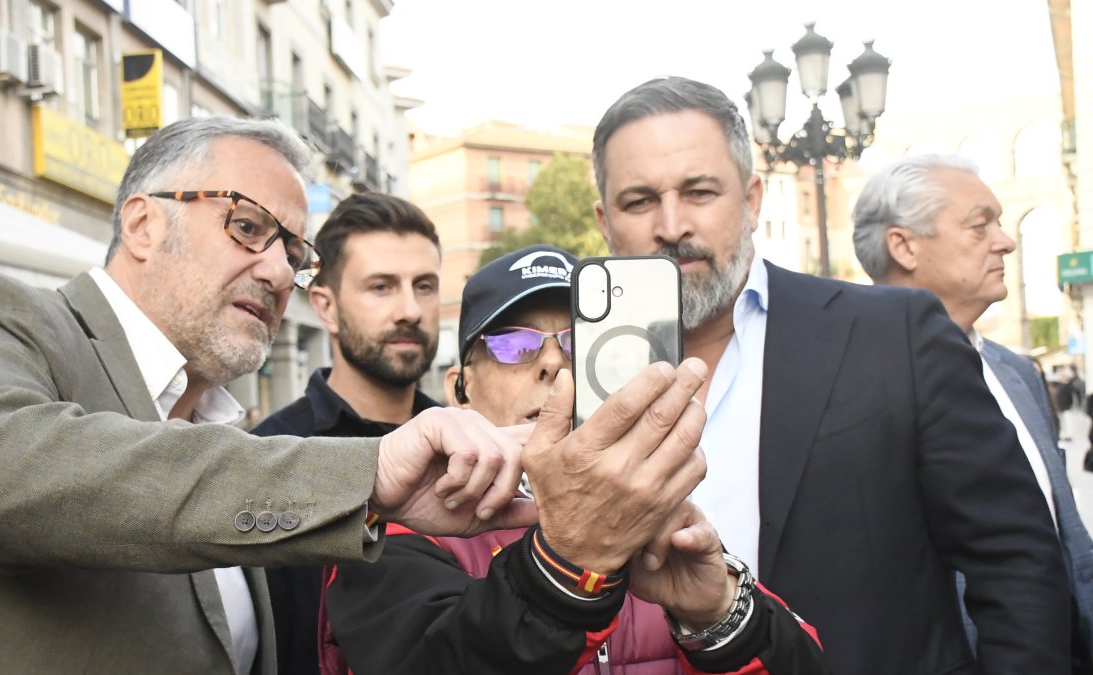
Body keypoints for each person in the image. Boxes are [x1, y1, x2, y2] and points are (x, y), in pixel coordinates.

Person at [0, 117, 536, 674]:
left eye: (292, 251)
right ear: (143, 224)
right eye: (249, 226)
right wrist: (365, 476)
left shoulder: (221, 435)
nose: (281, 271)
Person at [588, 77, 1068, 675]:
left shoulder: (893, 335)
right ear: (605, 220)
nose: (671, 223)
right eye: (639, 202)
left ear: (754, 198)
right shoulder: (575, 382)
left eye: (700, 191)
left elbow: (1016, 560)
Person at [324, 245, 827, 674]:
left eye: (575, 341)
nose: (550, 362)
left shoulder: (664, 521)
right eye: (513, 344)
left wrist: (718, 616)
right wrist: (569, 564)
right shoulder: (392, 529)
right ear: (460, 388)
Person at [852, 153, 1093, 670]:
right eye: (979, 225)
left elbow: (1061, 537)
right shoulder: (846, 386)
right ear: (904, 246)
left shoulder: (1018, 373)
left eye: (1001, 223)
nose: (1005, 241)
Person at [252, 191, 444, 675]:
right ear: (327, 307)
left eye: (424, 286)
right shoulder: (269, 456)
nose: (410, 310)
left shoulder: (465, 450)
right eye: (381, 287)